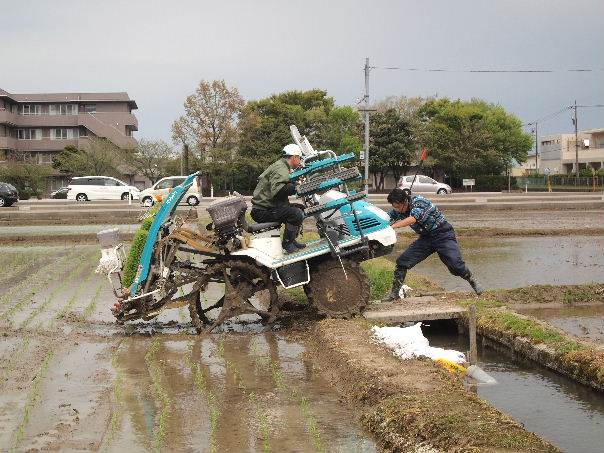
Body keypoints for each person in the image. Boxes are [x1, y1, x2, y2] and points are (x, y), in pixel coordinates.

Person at [382, 188, 484, 301]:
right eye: (394, 207)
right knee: (402, 262)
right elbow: (386, 217)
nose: (396, 210)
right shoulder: (399, 210)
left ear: (405, 201)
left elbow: (412, 219)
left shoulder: (419, 202)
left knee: (455, 265)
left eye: (397, 206)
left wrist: (392, 227)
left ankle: (472, 280)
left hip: (443, 235)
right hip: (426, 239)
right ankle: (394, 294)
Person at [250, 144, 307, 254]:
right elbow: (279, 191)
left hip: (268, 207)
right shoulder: (281, 168)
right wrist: (296, 186)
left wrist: (294, 184)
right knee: (296, 213)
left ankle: (291, 240)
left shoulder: (282, 166)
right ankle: (287, 243)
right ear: (294, 157)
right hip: (262, 211)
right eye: (299, 158)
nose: (300, 161)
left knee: (300, 208)